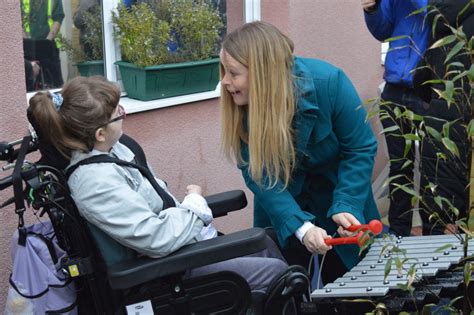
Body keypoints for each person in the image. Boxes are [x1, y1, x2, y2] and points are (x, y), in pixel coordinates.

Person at [28, 76, 288, 296]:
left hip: (180, 250)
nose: (123, 114)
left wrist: (191, 214)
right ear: (100, 133)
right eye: (118, 113)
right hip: (167, 274)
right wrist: (195, 207)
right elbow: (154, 238)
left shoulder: (116, 150)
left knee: (266, 241)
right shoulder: (94, 182)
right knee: (280, 276)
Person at [219, 21, 380, 284]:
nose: (225, 81)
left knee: (358, 295)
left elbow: (360, 148)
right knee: (288, 295)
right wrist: (300, 227)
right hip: (282, 211)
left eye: (233, 73)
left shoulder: (330, 83)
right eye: (225, 71)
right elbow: (259, 175)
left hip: (340, 202)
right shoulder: (241, 107)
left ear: (262, 74)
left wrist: (347, 202)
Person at [362, 0, 431, 236]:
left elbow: (429, 12)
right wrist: (372, 10)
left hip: (428, 90)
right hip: (394, 87)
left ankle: (433, 235)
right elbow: (382, 30)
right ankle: (399, 234)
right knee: (399, 167)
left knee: (433, 167)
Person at [412, 0, 473, 234]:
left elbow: (420, 77)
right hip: (463, 136)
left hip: (441, 133)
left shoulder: (440, 21)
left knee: (441, 241)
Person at [21, 0, 65, 88]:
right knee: (31, 82)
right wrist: (26, 40)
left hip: (48, 45)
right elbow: (16, 19)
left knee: (54, 82)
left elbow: (58, 18)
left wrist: (48, 40)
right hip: (29, 45)